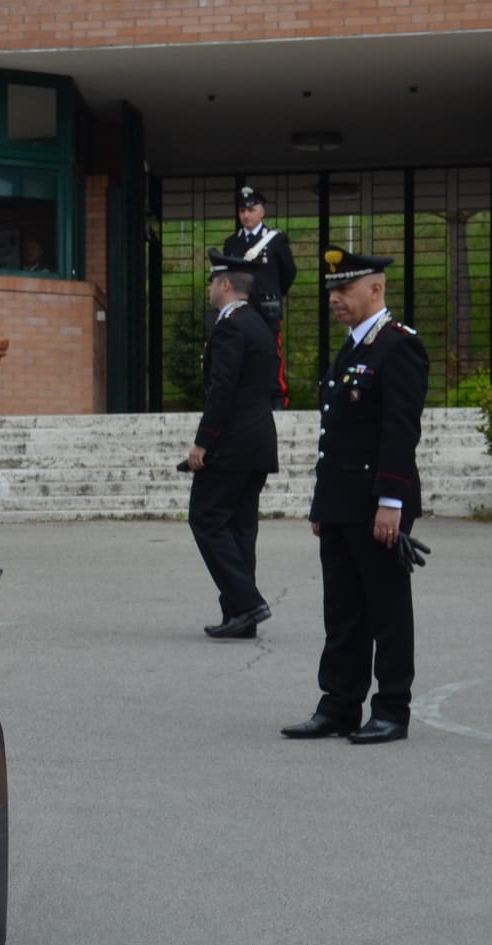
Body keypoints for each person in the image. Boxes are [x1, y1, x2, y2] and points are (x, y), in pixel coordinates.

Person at [282, 247, 429, 746]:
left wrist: (391, 502)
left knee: (386, 610)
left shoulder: (398, 346)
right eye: (331, 291)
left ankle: (392, 709)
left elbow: (400, 430)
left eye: (344, 289)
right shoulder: (353, 348)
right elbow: (335, 435)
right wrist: (322, 505)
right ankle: (340, 705)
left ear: (376, 288)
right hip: (341, 502)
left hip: (376, 502)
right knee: (343, 611)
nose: (335, 299)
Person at [185, 251, 280, 639]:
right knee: (240, 527)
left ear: (225, 284)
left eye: (212, 281)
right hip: (257, 441)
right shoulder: (258, 323)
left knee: (205, 518)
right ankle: (240, 617)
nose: (209, 288)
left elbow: (222, 390)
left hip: (232, 444)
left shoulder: (230, 327)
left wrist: (203, 443)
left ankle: (247, 601)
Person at [222, 185, 298, 409]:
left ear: (262, 211)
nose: (246, 215)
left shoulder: (276, 240)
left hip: (267, 307)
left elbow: (289, 272)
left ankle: (276, 396)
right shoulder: (232, 243)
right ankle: (246, 395)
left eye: (251, 209)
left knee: (271, 350)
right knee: (241, 351)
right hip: (241, 307)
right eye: (242, 210)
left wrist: (274, 293)